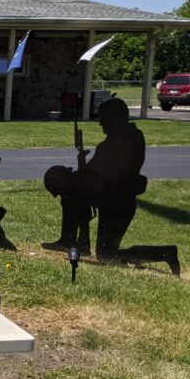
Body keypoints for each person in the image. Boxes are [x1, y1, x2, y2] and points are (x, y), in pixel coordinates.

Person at [42, 98, 179, 274]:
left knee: (107, 255)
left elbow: (101, 176)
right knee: (105, 252)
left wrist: (75, 176)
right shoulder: (127, 139)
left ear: (115, 118)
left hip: (117, 205)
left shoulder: (117, 144)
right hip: (112, 201)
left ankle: (164, 253)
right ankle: (78, 241)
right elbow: (95, 175)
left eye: (103, 118)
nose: (100, 123)